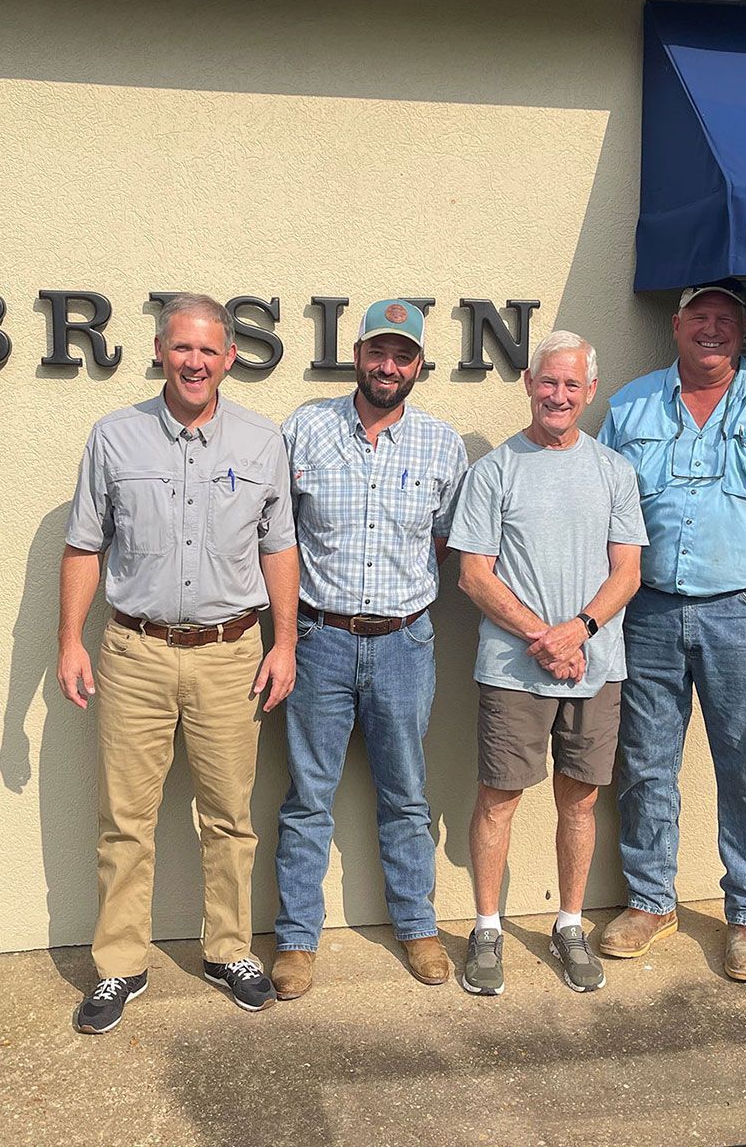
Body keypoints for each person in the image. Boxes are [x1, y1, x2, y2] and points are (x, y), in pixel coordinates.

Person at [56, 292, 299, 1033]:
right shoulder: (113, 438)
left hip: (231, 656)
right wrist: (69, 639)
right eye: (181, 347)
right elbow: (83, 546)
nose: (195, 361)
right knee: (126, 820)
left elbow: (278, 547)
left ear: (230, 358)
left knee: (229, 817)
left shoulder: (261, 443)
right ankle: (119, 967)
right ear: (159, 351)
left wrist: (284, 642)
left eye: (209, 350)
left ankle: (229, 950)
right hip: (134, 654)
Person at [597, 277, 746, 984]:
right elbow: (599, 504)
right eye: (699, 316)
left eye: (725, 319)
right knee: (643, 765)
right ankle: (649, 901)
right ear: (675, 327)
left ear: (741, 332)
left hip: (743, 609)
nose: (712, 328)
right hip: (648, 610)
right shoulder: (630, 404)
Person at [271, 299, 470, 1000]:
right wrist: (290, 636)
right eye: (378, 352)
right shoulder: (305, 429)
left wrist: (399, 602)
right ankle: (296, 940)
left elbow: (441, 544)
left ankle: (417, 926)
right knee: (307, 798)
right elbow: (279, 541)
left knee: (406, 795)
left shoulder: (443, 446)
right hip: (319, 639)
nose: (389, 366)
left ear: (420, 365)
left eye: (404, 355)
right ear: (357, 355)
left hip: (404, 644)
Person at [446, 330, 646, 996]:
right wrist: (546, 638)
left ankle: (568, 922)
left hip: (596, 665)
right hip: (514, 670)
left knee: (580, 801)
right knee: (499, 798)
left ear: (589, 394)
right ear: (529, 385)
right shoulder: (495, 470)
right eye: (548, 382)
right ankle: (487, 927)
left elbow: (629, 571)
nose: (558, 395)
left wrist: (580, 630)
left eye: (572, 385)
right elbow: (474, 575)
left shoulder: (614, 471)